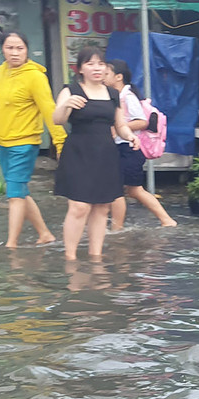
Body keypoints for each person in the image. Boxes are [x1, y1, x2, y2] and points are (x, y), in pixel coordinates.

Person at [52, 46, 139, 261]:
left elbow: (120, 124)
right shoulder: (71, 90)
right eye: (90, 64)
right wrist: (65, 106)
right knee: (79, 206)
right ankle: (70, 257)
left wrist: (130, 136)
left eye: (100, 64)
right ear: (80, 68)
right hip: (78, 152)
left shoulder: (112, 93)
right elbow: (57, 120)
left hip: (105, 154)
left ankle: (95, 256)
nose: (96, 68)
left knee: (102, 206)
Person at [0, 32, 66, 248]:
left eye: (19, 48)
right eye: (10, 48)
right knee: (19, 190)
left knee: (14, 196)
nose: (15, 53)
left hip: (24, 143)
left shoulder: (35, 76)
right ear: (2, 49)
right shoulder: (0, 72)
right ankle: (45, 234)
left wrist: (61, 142)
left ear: (27, 50)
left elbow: (49, 110)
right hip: (1, 142)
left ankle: (11, 244)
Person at [105, 60, 176, 229]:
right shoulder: (116, 97)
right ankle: (165, 220)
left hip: (129, 149)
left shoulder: (128, 97)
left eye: (107, 73)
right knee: (130, 190)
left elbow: (142, 122)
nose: (103, 76)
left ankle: (118, 228)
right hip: (122, 149)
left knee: (123, 190)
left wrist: (120, 127)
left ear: (119, 77)